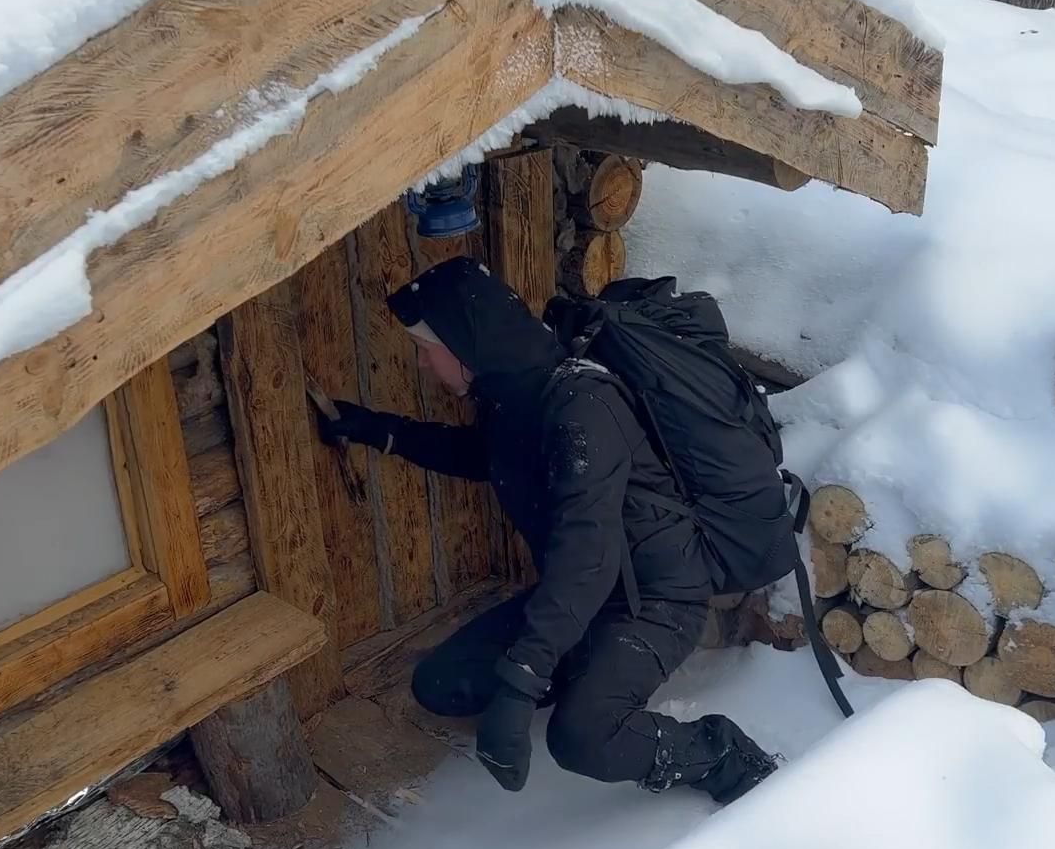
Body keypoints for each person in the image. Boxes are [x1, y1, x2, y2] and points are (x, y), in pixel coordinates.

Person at [315, 256, 779, 805]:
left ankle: (724, 757)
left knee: (583, 738)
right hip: (588, 595)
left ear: (464, 343)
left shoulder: (583, 407)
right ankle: (583, 665)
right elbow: (490, 455)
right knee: (442, 685)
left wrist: (521, 679)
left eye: (425, 347)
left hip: (654, 600)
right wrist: (377, 430)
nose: (422, 363)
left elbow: (588, 555)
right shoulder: (517, 394)